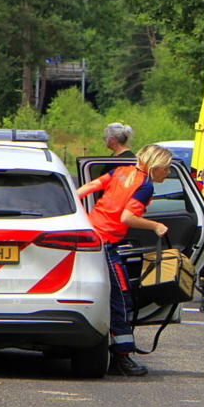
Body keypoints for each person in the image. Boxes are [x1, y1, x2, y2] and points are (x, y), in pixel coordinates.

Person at [76, 144, 173, 377]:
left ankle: (113, 351)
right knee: (121, 299)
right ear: (156, 167)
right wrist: (155, 225)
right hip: (107, 244)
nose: (168, 174)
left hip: (90, 237)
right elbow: (127, 217)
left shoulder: (120, 170)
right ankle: (122, 357)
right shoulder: (145, 185)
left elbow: (86, 189)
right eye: (167, 169)